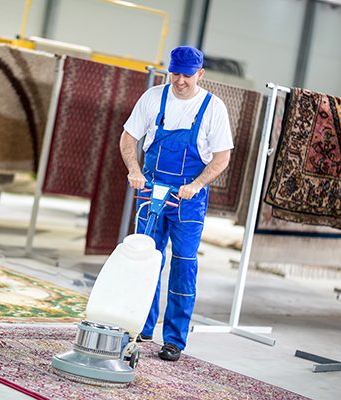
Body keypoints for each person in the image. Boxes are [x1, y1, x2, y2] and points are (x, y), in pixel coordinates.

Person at [120, 46, 233, 361]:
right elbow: (129, 137)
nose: (180, 81)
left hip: (188, 200)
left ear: (200, 74)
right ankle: (140, 325)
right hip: (151, 190)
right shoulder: (153, 98)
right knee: (146, 258)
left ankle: (174, 340)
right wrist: (134, 170)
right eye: (175, 74)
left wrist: (196, 185)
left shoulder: (213, 108)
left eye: (187, 75)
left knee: (183, 263)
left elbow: (222, 157)